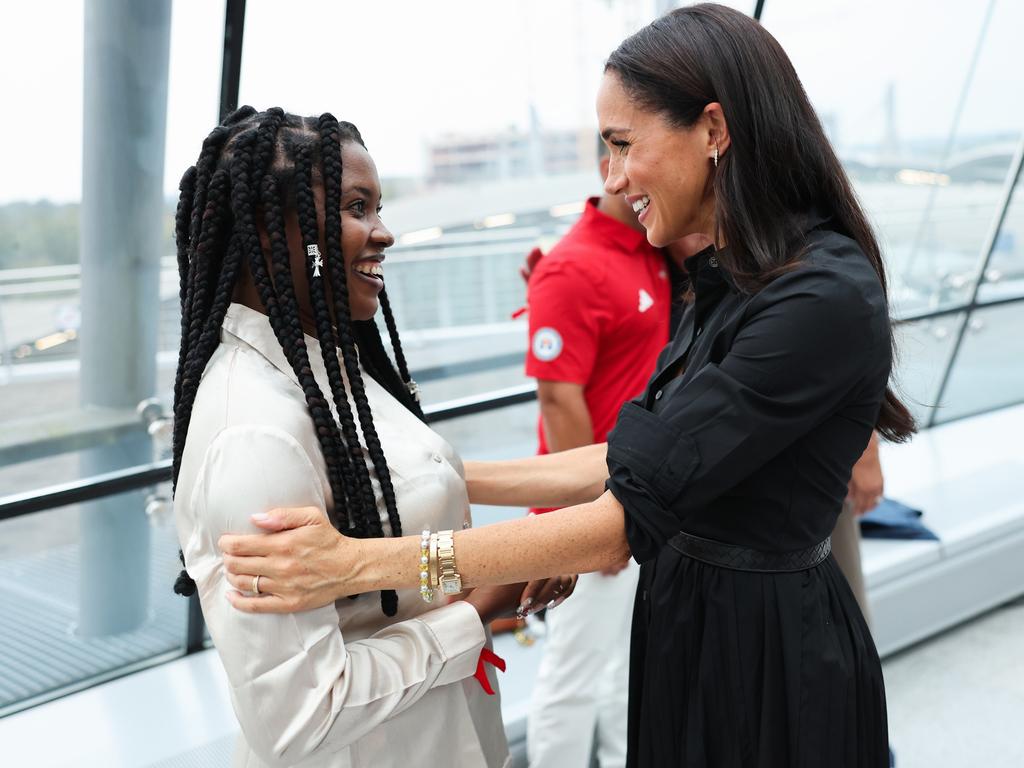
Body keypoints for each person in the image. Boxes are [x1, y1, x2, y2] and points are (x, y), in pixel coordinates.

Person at [218, 7, 916, 766]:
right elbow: (626, 458)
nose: (612, 178)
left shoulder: (818, 295)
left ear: (713, 130)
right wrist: (412, 478)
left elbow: (621, 517)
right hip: (694, 626)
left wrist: (364, 559)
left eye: (622, 146)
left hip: (769, 656)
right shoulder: (728, 280)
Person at [170, 106, 572, 768]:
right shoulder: (254, 434)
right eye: (358, 207)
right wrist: (476, 608)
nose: (383, 233)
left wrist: (503, 559)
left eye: (377, 207)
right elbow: (300, 714)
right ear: (272, 234)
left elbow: (392, 541)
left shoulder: (331, 370)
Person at [521, 139, 671, 768]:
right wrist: (596, 518)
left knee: (624, 669)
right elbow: (559, 404)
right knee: (573, 676)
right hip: (595, 504)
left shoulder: (653, 251)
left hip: (640, 496)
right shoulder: (572, 266)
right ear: (608, 168)